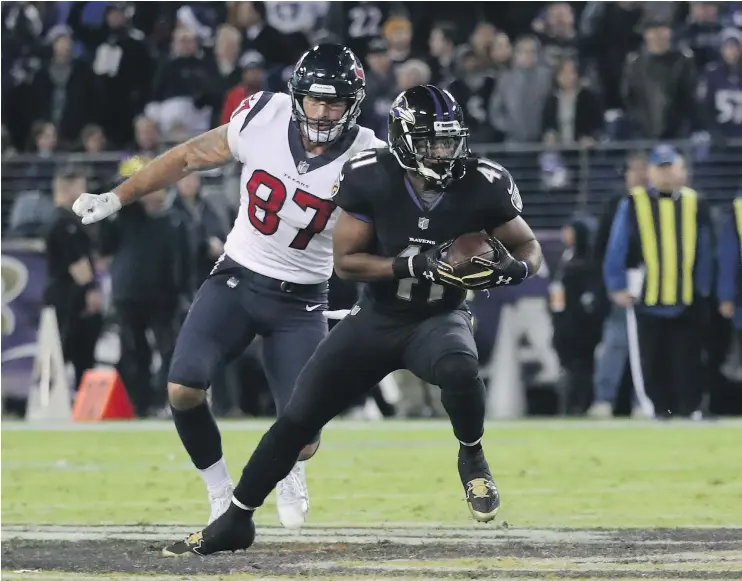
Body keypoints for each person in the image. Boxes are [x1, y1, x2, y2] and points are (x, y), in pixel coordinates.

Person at [162, 85, 543, 556]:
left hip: (438, 316)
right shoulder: (370, 175)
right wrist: (418, 265)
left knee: (459, 366)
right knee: (297, 420)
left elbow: (528, 246)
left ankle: (473, 455)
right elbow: (346, 263)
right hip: (378, 316)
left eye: (449, 140)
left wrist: (516, 268)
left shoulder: (483, 182)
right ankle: (236, 519)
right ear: (404, 140)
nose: (443, 152)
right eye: (431, 142)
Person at [72, 43, 384, 530]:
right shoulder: (263, 114)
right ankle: (219, 492)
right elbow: (189, 156)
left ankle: (291, 467)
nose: (322, 112)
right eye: (314, 100)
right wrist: (119, 195)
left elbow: (397, 232)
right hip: (237, 278)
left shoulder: (371, 158)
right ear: (296, 96)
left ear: (354, 104)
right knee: (182, 389)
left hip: (301, 299)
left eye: (335, 102)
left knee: (304, 435)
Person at [603, 145, 713, 419]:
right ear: (650, 172)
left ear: (681, 170)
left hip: (686, 298)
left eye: (670, 167)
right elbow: (617, 246)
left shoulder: (695, 202)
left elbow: (706, 250)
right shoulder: (632, 202)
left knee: (688, 359)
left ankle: (691, 410)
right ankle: (659, 410)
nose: (666, 174)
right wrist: (616, 285)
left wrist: (705, 288)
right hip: (647, 299)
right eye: (660, 168)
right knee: (652, 362)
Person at [43, 167, 103, 390]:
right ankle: (59, 397)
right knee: (67, 350)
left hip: (69, 295)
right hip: (67, 297)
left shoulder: (70, 220)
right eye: (81, 188)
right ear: (66, 189)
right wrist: (91, 289)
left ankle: (79, 398)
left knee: (79, 352)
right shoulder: (62, 222)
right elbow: (78, 266)